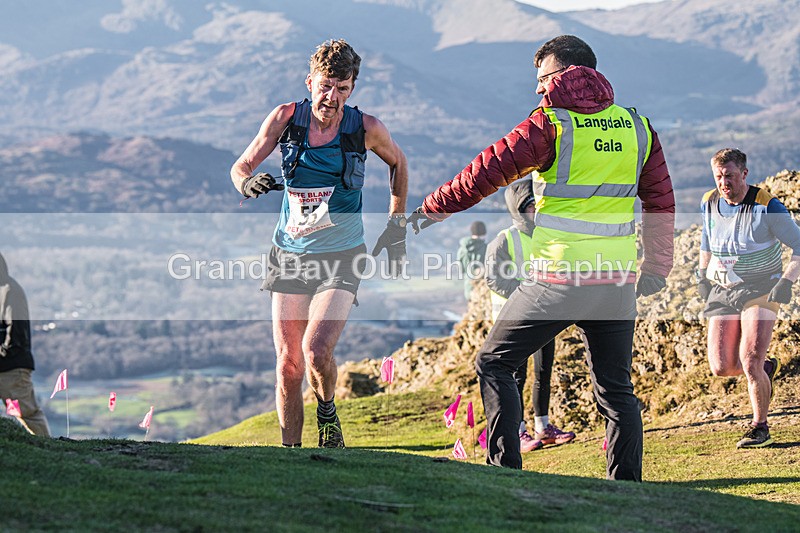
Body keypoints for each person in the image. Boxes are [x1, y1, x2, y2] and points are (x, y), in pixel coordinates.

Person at [408, 35, 675, 481]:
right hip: (615, 281)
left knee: (494, 362)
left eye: (544, 77)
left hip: (558, 278)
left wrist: (429, 210)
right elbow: (661, 203)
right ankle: (628, 489)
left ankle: (505, 473)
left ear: (568, 73)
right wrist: (656, 269)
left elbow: (484, 172)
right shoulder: (637, 127)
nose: (538, 89)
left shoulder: (550, 124)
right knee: (615, 390)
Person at [230, 39, 408, 448]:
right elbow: (241, 165)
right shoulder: (285, 118)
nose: (332, 97)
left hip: (342, 256)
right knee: (288, 364)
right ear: (310, 82)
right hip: (290, 254)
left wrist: (395, 228)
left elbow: (399, 164)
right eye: (325, 86)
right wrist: (247, 181)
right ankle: (290, 454)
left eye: (342, 88)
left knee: (315, 350)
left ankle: (327, 411)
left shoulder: (365, 129)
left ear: (352, 88)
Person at [697, 148, 800, 448]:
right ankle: (767, 371)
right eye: (718, 176)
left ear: (744, 173)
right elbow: (706, 239)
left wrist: (786, 282)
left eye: (729, 175)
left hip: (761, 289)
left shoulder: (767, 205)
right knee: (721, 366)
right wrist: (701, 275)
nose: (723, 182)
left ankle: (760, 427)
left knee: (751, 358)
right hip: (723, 288)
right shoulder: (709, 202)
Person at [484, 177, 575, 452]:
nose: (538, 210)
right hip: (514, 318)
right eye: (532, 206)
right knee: (516, 377)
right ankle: (519, 431)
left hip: (545, 313)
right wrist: (527, 293)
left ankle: (543, 426)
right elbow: (493, 279)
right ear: (519, 208)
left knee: (544, 372)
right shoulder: (504, 240)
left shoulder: (549, 236)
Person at [0, 252, 50, 437]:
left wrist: (4, 352)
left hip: (11, 368)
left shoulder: (10, 290)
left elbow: (17, 331)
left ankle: (48, 452)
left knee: (27, 414)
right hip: (8, 363)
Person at [457, 221, 487, 301]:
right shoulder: (486, 248)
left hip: (468, 289)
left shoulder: (461, 250)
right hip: (482, 291)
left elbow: (461, 270)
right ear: (484, 233)